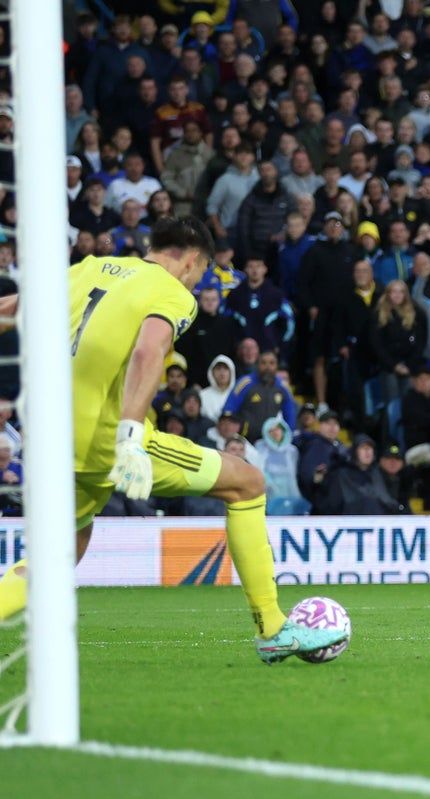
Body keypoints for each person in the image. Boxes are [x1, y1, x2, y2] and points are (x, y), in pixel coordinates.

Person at [0, 216, 344, 662]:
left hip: (49, 438)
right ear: (191, 259)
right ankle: (273, 628)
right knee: (247, 483)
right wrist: (129, 434)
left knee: (60, 553)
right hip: (107, 439)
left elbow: (11, 308)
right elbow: (149, 350)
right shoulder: (172, 292)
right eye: (202, 272)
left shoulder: (89, 269)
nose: (198, 282)